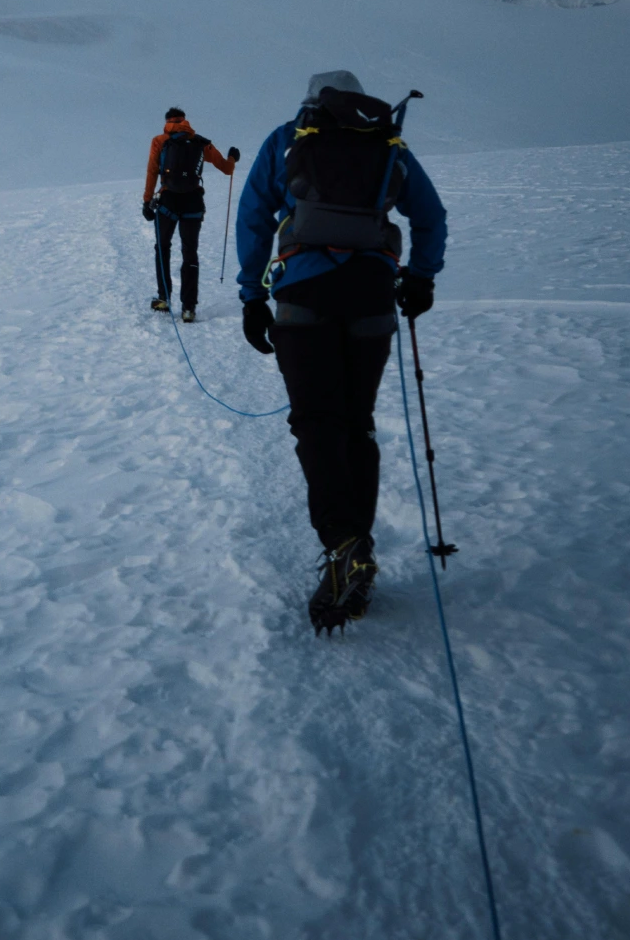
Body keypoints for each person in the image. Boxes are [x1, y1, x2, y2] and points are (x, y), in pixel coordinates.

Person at [236, 70, 446, 633]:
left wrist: (252, 294)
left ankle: (342, 544)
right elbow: (430, 216)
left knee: (315, 422)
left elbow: (254, 215)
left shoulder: (288, 138)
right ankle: (358, 550)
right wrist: (420, 278)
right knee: (356, 423)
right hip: (372, 296)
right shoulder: (386, 143)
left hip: (303, 294)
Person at [143, 108, 239, 321]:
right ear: (185, 120)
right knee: (190, 252)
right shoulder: (200, 142)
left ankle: (163, 299)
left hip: (168, 200)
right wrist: (233, 157)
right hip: (193, 202)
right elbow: (226, 169)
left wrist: (147, 201)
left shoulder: (159, 140)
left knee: (162, 248)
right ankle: (188, 308)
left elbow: (152, 170)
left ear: (167, 121)